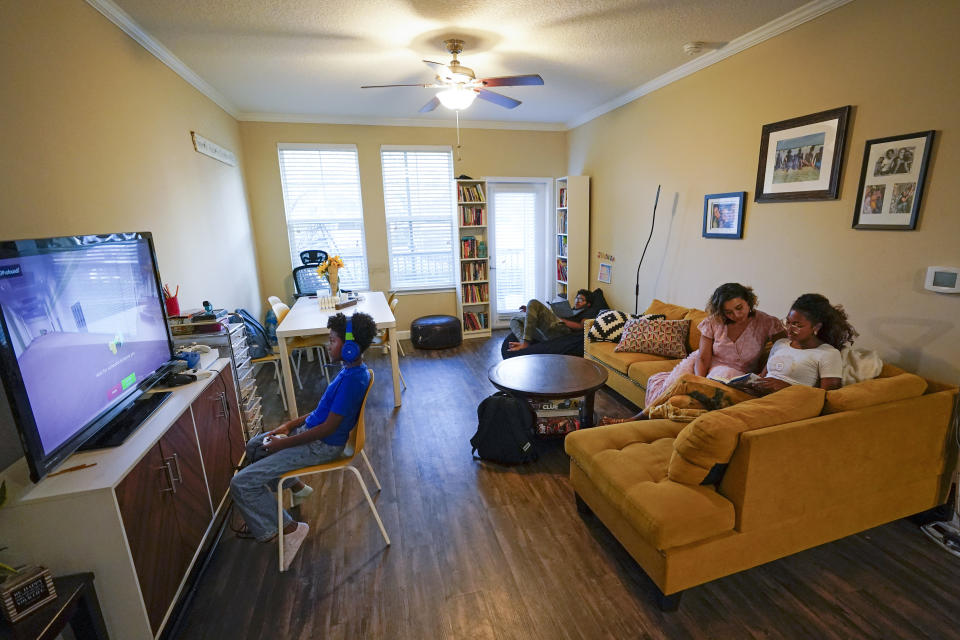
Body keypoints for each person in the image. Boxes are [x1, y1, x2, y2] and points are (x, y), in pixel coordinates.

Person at [230, 311, 377, 569]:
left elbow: (326, 428)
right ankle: (298, 488)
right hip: (314, 438)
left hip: (322, 446)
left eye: (332, 340)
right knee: (255, 446)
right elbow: (321, 412)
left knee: (241, 483)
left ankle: (290, 529)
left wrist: (283, 442)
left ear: (351, 348)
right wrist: (289, 425)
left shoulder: (353, 380)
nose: (327, 344)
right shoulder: (349, 371)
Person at [599, 283, 784, 424]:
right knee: (670, 387)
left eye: (739, 308)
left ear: (749, 302)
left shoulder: (766, 322)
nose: (736, 315)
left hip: (735, 374)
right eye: (728, 312)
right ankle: (645, 421)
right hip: (702, 363)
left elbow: (782, 348)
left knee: (698, 390)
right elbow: (703, 357)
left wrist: (765, 372)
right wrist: (699, 381)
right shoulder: (714, 322)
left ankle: (639, 420)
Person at [750, 293, 857, 396]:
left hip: (792, 401)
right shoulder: (780, 344)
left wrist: (787, 388)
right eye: (788, 322)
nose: (789, 329)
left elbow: (827, 397)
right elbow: (762, 377)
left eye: (797, 325)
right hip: (761, 397)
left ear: (816, 327)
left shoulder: (828, 354)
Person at [508, 289, 600, 352]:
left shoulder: (589, 311)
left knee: (533, 302)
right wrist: (530, 312)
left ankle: (525, 343)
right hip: (552, 327)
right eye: (577, 298)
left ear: (588, 304)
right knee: (515, 319)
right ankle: (523, 343)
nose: (577, 301)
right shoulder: (572, 310)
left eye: (581, 299)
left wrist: (561, 320)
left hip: (562, 332)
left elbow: (581, 326)